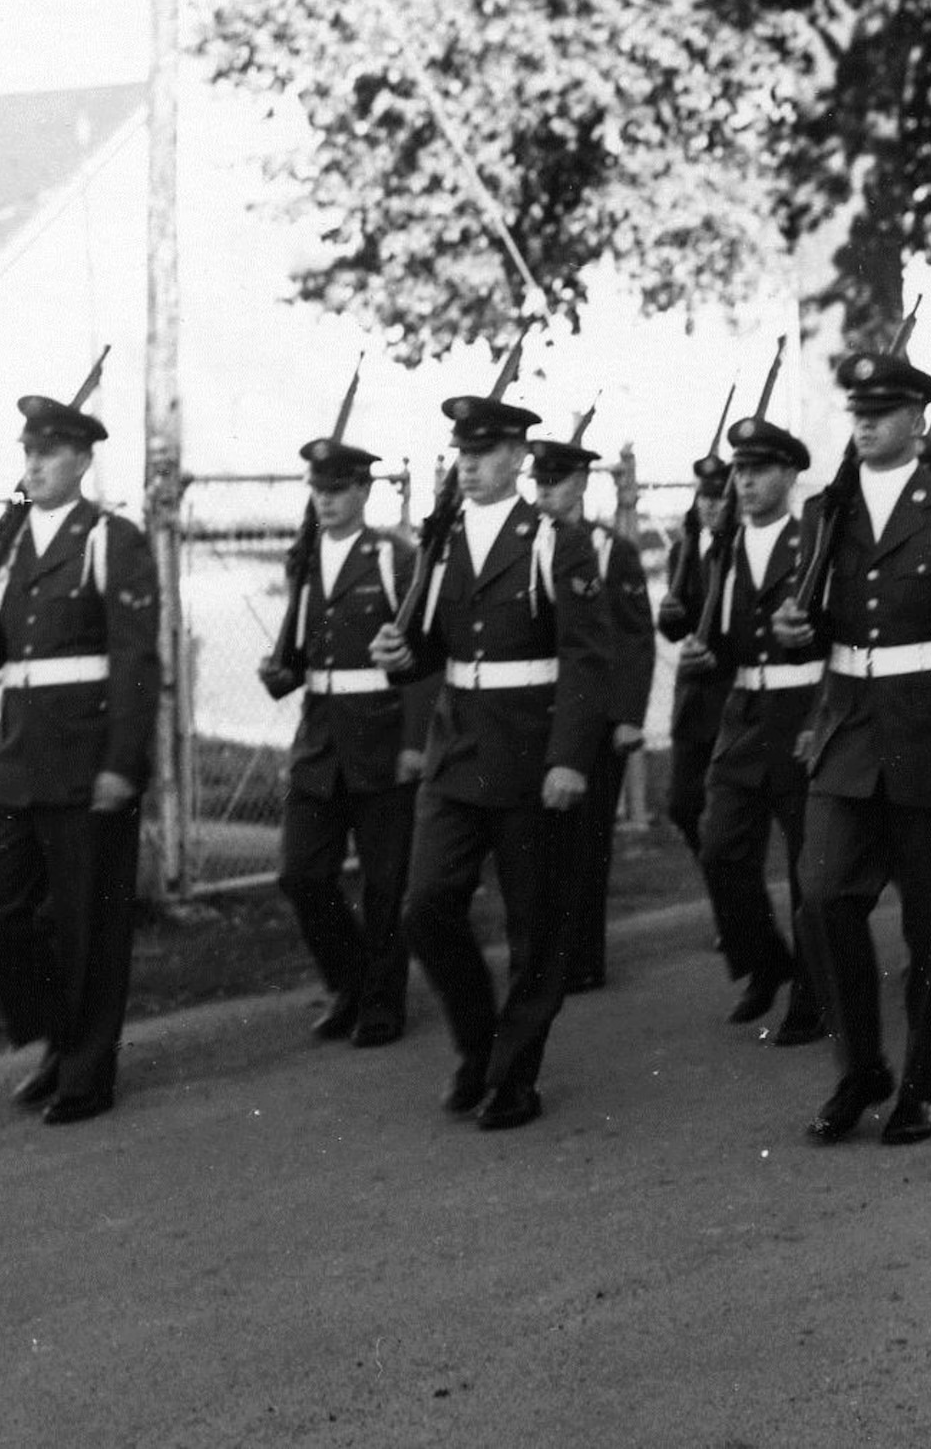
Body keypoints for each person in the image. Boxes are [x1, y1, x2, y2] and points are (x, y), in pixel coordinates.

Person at [773, 349, 931, 1145]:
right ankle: (860, 1068)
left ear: (919, 420)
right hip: (849, 736)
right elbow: (816, 629)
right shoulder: (826, 512)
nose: (867, 423)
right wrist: (793, 631)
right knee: (823, 898)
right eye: (859, 412)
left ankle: (922, 1085)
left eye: (884, 412)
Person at [368, 393, 612, 1132]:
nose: (467, 467)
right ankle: (480, 1048)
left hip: (534, 755)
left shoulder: (553, 541)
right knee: (426, 909)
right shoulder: (438, 543)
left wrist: (570, 760)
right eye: (461, 455)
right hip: (459, 747)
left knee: (535, 924)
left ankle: (513, 1076)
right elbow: (436, 650)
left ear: (515, 459)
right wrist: (400, 657)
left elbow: (587, 659)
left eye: (482, 455)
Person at [0, 393, 161, 1124]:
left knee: (88, 924)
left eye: (48, 454)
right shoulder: (10, 545)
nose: (32, 465)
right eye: (27, 453)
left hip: (86, 756)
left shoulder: (110, 539)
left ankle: (85, 1072)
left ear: (83, 461)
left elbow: (134, 662)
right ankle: (60, 1038)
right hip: (20, 757)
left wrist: (123, 765)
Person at [256, 437, 431, 1047]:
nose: (325, 501)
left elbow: (422, 656)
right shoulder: (301, 560)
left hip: (381, 734)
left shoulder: (394, 556)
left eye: (337, 490)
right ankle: (352, 982)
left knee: (386, 882)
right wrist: (280, 670)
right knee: (302, 874)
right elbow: (301, 651)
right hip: (321, 734)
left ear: (363, 491)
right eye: (318, 491)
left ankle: (382, 1003)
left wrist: (415, 741)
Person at [687, 415, 828, 1042]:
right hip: (744, 715)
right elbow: (719, 634)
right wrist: (704, 653)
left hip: (804, 712)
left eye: (759, 470)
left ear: (791, 475)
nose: (745, 483)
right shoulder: (723, 549)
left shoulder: (815, 545)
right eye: (739, 471)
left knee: (808, 864)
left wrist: (826, 716)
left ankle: (815, 992)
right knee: (720, 847)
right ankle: (765, 961)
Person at [524, 433, 655, 994]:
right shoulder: (527, 543)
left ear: (579, 484)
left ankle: (582, 957)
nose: (545, 493)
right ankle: (542, 953)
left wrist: (628, 715)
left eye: (556, 483)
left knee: (585, 840)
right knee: (538, 841)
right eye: (540, 482)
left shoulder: (609, 551)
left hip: (597, 714)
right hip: (540, 711)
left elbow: (634, 638)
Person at [654, 457, 736, 874]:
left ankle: (735, 910)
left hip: (733, 698)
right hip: (694, 701)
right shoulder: (682, 551)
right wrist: (669, 615)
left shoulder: (742, 551)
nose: (710, 506)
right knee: (682, 805)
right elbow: (677, 629)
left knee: (733, 821)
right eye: (704, 497)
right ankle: (724, 891)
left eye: (719, 497)